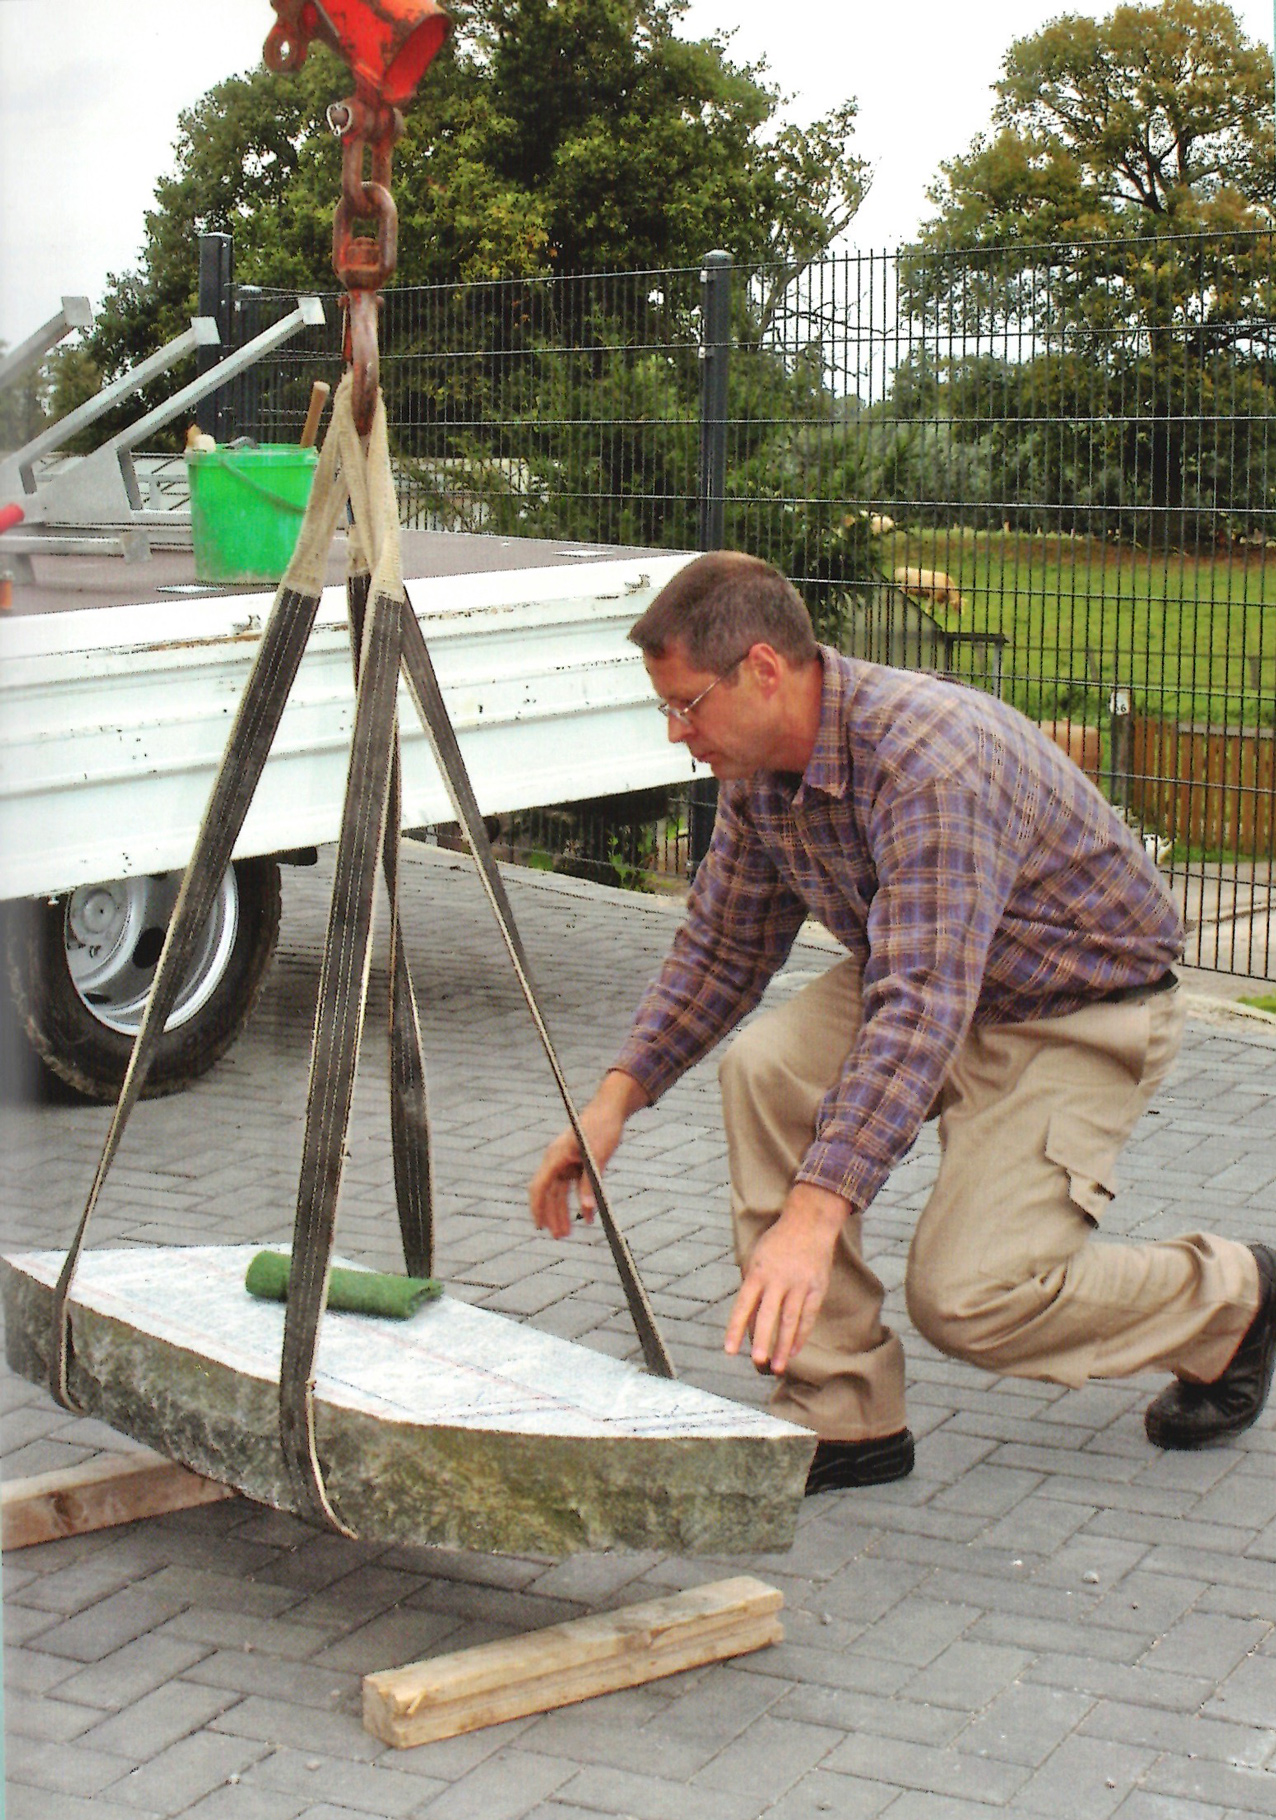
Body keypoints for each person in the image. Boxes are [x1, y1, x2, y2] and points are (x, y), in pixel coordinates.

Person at [528, 552, 1276, 1494]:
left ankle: (1232, 1299)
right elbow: (723, 949)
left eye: (687, 705)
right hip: (943, 973)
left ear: (764, 670)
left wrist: (815, 1211)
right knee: (766, 1070)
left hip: (1078, 1011)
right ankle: (842, 1414)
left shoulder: (931, 761)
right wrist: (611, 1105)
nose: (678, 734)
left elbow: (919, 1006)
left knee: (969, 1298)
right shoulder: (762, 771)